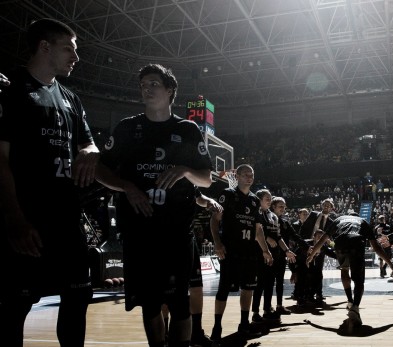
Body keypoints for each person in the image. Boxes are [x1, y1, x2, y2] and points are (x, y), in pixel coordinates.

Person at [96, 63, 213, 347]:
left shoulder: (187, 130)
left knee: (179, 304)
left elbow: (207, 179)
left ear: (170, 90)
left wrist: (185, 169)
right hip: (139, 232)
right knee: (150, 305)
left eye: (153, 84)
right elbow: (100, 170)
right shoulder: (127, 127)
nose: (147, 89)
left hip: (175, 232)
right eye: (143, 85)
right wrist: (127, 186)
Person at [0, 18, 99, 347]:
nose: (76, 56)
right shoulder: (10, 87)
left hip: (67, 219)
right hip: (27, 218)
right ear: (45, 47)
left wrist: (90, 152)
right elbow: (0, 159)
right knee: (15, 306)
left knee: (78, 299)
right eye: (69, 48)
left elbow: (89, 142)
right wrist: (14, 218)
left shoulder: (71, 98)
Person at [209, 164, 273, 339]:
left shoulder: (254, 201)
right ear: (236, 176)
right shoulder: (227, 195)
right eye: (245, 174)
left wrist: (265, 250)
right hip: (230, 250)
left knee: (248, 288)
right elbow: (214, 220)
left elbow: (258, 230)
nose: (249, 177)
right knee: (223, 290)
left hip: (249, 252)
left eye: (251, 174)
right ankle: (217, 327)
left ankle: (244, 324)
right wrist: (217, 243)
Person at [306, 212, 393, 330]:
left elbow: (324, 238)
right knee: (359, 280)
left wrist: (312, 254)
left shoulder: (339, 219)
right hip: (356, 243)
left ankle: (349, 300)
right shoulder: (362, 221)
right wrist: (391, 265)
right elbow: (376, 247)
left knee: (344, 270)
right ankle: (355, 307)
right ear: (357, 216)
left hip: (340, 244)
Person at [162, 191, 222, 347]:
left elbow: (199, 197)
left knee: (197, 287)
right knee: (165, 290)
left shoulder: (185, 176)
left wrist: (209, 201)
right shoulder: (157, 174)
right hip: (163, 237)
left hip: (187, 237)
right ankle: (164, 334)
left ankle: (196, 332)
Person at [251, 189, 296, 323]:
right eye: (267, 198)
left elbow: (279, 237)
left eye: (270, 197)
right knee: (259, 285)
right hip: (259, 253)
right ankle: (255, 313)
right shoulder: (255, 213)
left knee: (270, 283)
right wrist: (266, 238)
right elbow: (254, 232)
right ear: (259, 199)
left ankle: (267, 310)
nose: (270, 200)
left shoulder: (273, 216)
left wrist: (287, 250)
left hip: (273, 255)